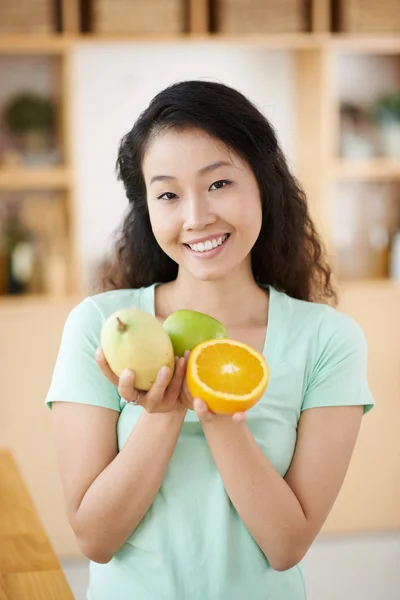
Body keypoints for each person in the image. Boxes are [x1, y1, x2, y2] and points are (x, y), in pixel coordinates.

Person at [45, 80, 374, 600]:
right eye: (168, 194)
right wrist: (163, 414)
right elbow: (94, 537)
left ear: (264, 184)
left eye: (219, 184)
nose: (196, 217)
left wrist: (217, 415)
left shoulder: (328, 341)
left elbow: (286, 545)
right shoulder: (103, 327)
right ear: (147, 208)